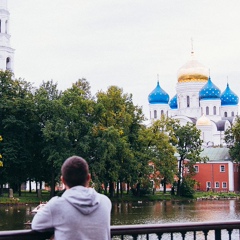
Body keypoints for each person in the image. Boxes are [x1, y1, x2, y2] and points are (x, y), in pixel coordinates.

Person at [32, 156, 112, 240]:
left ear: (62, 180)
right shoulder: (105, 201)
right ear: (88, 178)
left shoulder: (56, 205)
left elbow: (36, 225)